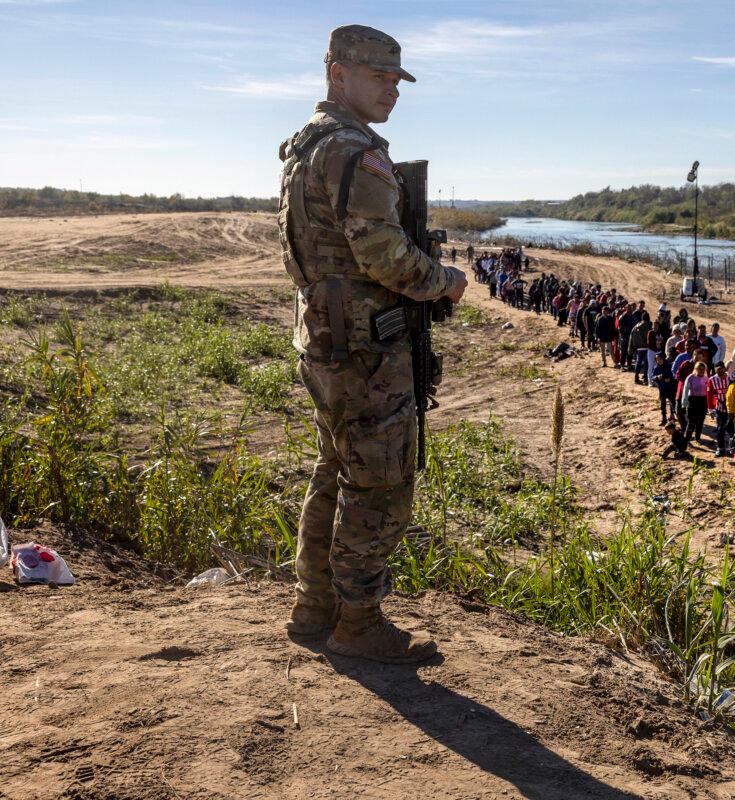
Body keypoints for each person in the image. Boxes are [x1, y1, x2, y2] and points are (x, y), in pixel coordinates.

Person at [280, 25, 467, 664]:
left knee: (335, 466)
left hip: (326, 335)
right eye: (378, 76)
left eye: (396, 79)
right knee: (380, 479)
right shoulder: (357, 153)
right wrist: (445, 281)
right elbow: (384, 255)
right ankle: (358, 621)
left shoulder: (307, 147)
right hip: (365, 345)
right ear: (337, 74)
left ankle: (314, 608)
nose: (392, 89)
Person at [708, 361, 732, 456]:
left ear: (724, 368)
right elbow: (709, 395)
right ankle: (721, 448)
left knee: (731, 429)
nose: (718, 372)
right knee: (720, 429)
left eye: (720, 369)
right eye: (716, 370)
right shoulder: (712, 380)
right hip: (719, 408)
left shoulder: (731, 377)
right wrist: (711, 409)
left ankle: (732, 448)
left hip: (731, 408)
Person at [683, 362, 710, 443]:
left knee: (700, 422)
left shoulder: (706, 378)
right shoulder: (690, 377)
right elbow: (685, 391)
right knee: (691, 422)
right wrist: (684, 404)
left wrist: (709, 405)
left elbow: (709, 392)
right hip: (692, 401)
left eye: (703, 369)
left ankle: (698, 438)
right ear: (696, 369)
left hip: (703, 401)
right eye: (699, 369)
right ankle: (686, 439)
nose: (701, 371)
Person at [651, 352, 677, 426]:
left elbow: (674, 376)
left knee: (673, 403)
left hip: (671, 388)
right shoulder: (657, 368)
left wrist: (669, 379)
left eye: (660, 359)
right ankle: (664, 418)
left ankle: (673, 416)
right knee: (663, 404)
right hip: (662, 389)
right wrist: (657, 377)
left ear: (663, 359)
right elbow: (653, 377)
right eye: (657, 360)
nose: (659, 361)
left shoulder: (669, 366)